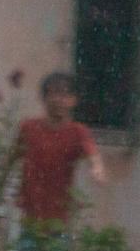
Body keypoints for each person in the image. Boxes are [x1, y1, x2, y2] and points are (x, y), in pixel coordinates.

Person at [15, 71, 107, 229]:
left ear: (73, 100)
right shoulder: (28, 127)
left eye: (64, 95)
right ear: (44, 98)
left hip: (58, 220)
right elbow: (12, 157)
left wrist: (97, 168)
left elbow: (91, 151)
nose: (58, 100)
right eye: (53, 94)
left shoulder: (78, 131)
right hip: (27, 218)